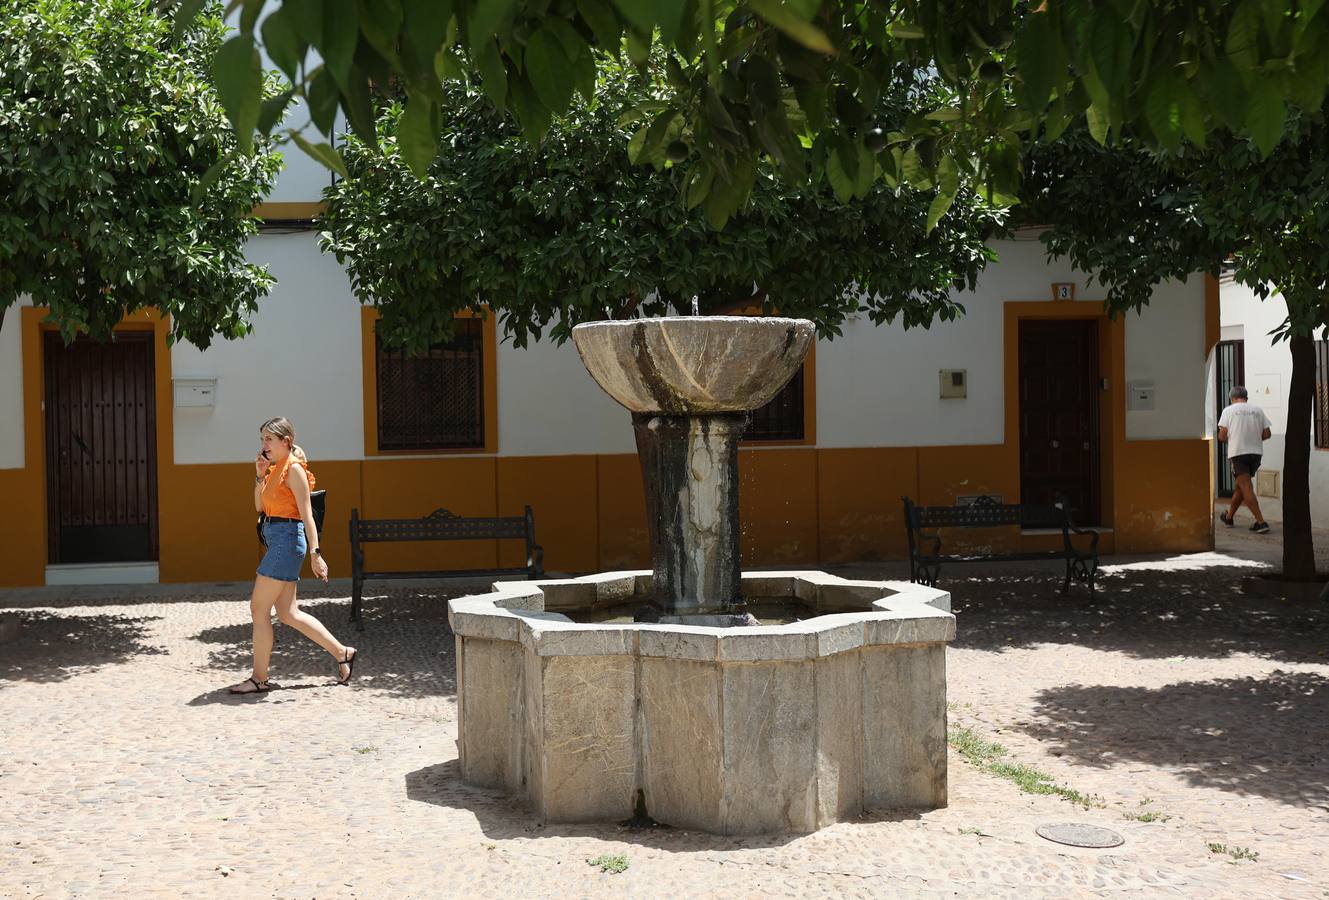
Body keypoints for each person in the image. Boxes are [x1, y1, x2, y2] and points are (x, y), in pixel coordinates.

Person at [229, 417, 358, 694]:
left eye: (268, 439)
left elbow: (307, 514)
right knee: (288, 613)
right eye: (262, 439)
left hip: (287, 542)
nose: (264, 445)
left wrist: (316, 553)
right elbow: (258, 506)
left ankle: (259, 679)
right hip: (278, 539)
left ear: (285, 441)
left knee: (258, 609)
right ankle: (342, 652)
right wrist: (260, 474)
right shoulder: (274, 469)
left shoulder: (294, 470)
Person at [1217, 386, 1273, 534]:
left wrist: (1231, 436)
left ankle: (1261, 522)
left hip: (1238, 454)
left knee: (1246, 487)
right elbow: (1267, 434)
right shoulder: (1258, 410)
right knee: (1240, 487)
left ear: (1232, 398)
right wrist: (1253, 437)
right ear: (1246, 398)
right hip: (1255, 454)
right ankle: (1229, 517)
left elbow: (1222, 436)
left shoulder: (1228, 411)